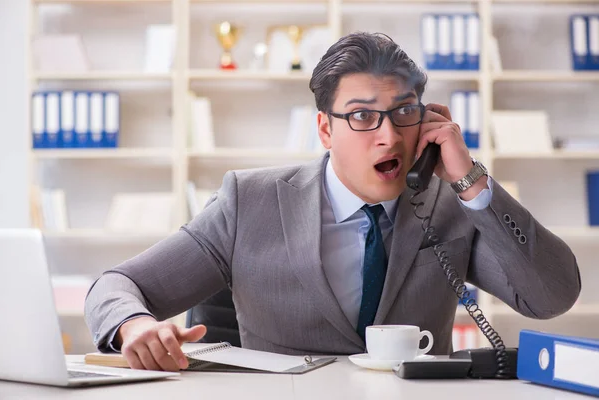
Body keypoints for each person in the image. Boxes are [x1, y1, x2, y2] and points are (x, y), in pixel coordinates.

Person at [85, 32, 581, 372]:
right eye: (363, 117)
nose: (388, 136)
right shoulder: (250, 202)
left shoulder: (449, 207)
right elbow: (117, 285)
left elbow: (551, 295)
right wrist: (134, 325)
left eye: (404, 112)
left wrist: (469, 179)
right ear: (325, 128)